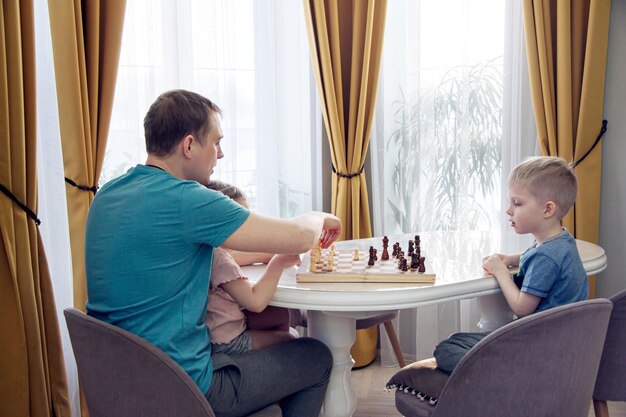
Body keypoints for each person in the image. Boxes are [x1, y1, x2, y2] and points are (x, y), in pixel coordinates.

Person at [85, 89, 342, 417]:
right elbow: (300, 237)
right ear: (189, 145)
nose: (220, 154)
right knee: (316, 357)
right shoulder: (189, 200)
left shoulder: (107, 194)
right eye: (216, 142)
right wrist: (323, 217)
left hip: (116, 389)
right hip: (184, 391)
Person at [433, 156, 588, 374]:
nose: (508, 210)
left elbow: (522, 308)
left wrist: (500, 271)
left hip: (536, 348)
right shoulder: (561, 240)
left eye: (517, 203)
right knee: (458, 340)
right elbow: (534, 255)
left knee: (446, 350)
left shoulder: (546, 257)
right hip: (558, 344)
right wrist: (511, 259)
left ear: (547, 209)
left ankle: (503, 374)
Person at [205, 180, 297, 354]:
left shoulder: (208, 250)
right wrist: (279, 262)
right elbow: (256, 302)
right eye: (241, 222)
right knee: (290, 338)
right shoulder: (220, 259)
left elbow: (234, 256)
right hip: (227, 341)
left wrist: (268, 254)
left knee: (279, 313)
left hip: (215, 333)